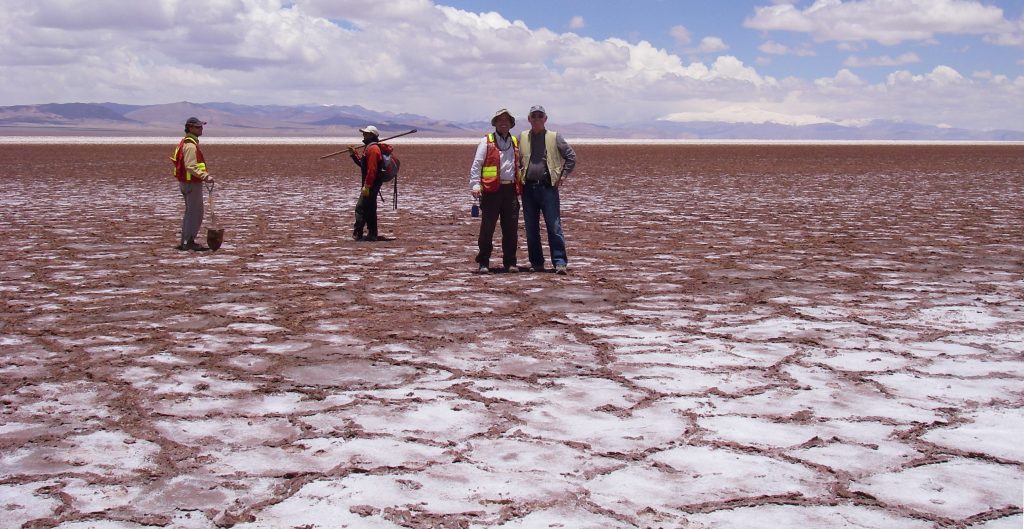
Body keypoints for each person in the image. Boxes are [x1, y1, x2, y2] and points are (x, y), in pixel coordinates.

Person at [518, 105, 576, 274]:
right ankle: (536, 263)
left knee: (554, 226)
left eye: (540, 116)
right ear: (529, 119)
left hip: (548, 188)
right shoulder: (522, 137)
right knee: (531, 228)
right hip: (528, 188)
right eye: (533, 116)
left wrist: (563, 176)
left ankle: (559, 262)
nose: (536, 119)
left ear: (545, 119)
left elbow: (571, 157)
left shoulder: (554, 137)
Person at [469, 108, 521, 273]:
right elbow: (477, 164)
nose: (503, 122)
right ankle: (483, 261)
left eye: (507, 120)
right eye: (500, 120)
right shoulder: (486, 142)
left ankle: (510, 262)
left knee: (511, 229)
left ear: (511, 123)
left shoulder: (515, 141)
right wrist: (475, 185)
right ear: (495, 123)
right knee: (487, 228)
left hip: (510, 190)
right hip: (491, 191)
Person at [171, 117, 213, 251]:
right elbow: (190, 166)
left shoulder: (187, 143)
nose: (201, 129)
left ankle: (185, 240)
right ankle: (188, 241)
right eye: (198, 127)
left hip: (187, 183)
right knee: (195, 213)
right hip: (191, 183)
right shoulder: (190, 145)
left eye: (201, 127)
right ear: (190, 128)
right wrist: (205, 176)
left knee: (190, 212)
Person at [347, 125, 387, 241]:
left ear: (372, 135)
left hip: (371, 185)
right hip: (371, 184)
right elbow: (363, 166)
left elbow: (372, 170)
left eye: (366, 133)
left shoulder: (373, 149)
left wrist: (367, 186)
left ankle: (358, 233)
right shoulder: (369, 148)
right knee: (370, 208)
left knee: (360, 208)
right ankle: (372, 234)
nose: (364, 135)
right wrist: (354, 154)